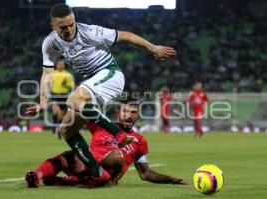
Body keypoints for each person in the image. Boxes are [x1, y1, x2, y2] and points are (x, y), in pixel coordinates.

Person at [25, 4, 176, 183]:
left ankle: (118, 134)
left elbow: (125, 35)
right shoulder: (49, 43)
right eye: (62, 27)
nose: (68, 29)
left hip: (111, 75)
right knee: (66, 129)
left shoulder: (90, 32)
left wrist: (153, 48)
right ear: (52, 25)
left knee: (73, 99)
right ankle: (96, 172)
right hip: (94, 85)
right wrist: (43, 102)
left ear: (74, 20)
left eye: (71, 24)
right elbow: (47, 73)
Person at [25, 97, 187, 187]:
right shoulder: (102, 125)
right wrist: (52, 108)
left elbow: (146, 174)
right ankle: (37, 176)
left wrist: (173, 180)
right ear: (118, 113)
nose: (130, 115)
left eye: (134, 112)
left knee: (117, 155)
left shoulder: (140, 141)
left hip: (108, 174)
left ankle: (74, 181)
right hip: (87, 165)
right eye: (126, 111)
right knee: (69, 156)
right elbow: (80, 113)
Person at [50, 59, 74, 139]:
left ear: (64, 65)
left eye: (61, 64)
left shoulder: (67, 75)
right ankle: (54, 128)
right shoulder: (52, 74)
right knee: (55, 111)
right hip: (54, 94)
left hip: (63, 95)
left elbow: (70, 86)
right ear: (56, 65)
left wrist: (65, 84)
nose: (60, 65)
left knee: (61, 115)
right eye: (58, 64)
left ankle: (59, 129)